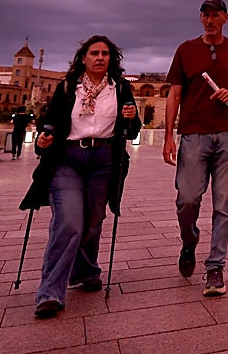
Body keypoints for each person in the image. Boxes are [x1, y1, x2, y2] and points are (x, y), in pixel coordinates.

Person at [19, 35, 140, 319]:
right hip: (67, 159)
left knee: (93, 221)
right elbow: (48, 122)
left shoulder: (120, 88)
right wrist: (43, 140)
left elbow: (131, 130)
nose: (100, 58)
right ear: (83, 58)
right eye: (94, 53)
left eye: (105, 54)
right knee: (70, 221)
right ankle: (50, 292)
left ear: (112, 59)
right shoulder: (66, 87)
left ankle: (86, 271)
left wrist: (132, 117)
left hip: (104, 159)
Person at [162, 0, 228, 297]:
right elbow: (174, 95)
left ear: (226, 17)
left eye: (216, 14)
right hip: (193, 134)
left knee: (222, 203)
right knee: (187, 199)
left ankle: (216, 266)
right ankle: (189, 241)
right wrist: (168, 136)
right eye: (206, 14)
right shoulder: (185, 50)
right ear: (200, 18)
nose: (210, 19)